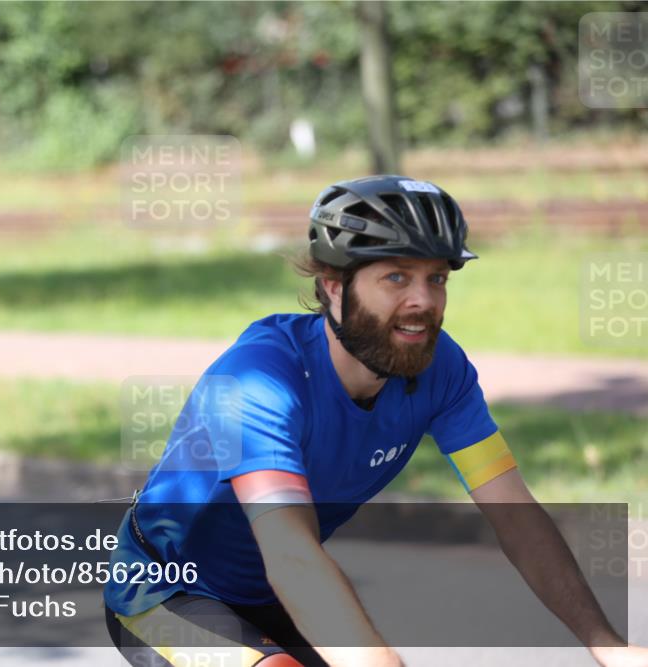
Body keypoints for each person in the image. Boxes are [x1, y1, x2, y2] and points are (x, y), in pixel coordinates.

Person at [102, 175, 648, 667]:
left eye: (437, 278)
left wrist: (608, 647)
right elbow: (290, 552)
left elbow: (516, 516)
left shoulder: (442, 369)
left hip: (274, 599)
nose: (423, 301)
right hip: (159, 594)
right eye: (396, 277)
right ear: (335, 286)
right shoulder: (258, 381)